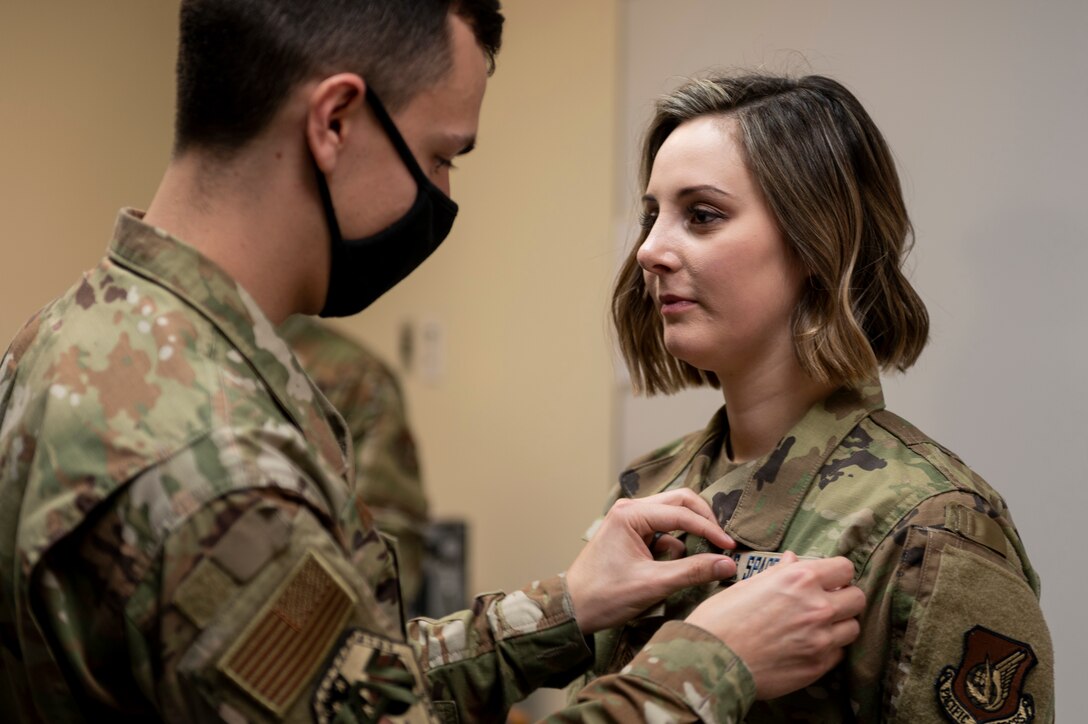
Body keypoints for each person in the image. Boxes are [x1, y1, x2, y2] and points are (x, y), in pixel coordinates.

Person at [0, 4, 866, 721]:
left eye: (704, 215)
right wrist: (710, 664)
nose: (443, 195)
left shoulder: (77, 340)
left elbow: (341, 688)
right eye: (440, 155)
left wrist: (563, 611)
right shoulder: (214, 459)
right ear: (335, 120)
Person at [576, 73, 1054, 721]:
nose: (651, 250)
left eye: (703, 215)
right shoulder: (649, 492)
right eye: (652, 216)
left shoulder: (931, 525)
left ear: (815, 241)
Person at [280, 315, 430, 605]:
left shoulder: (351, 375)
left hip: (305, 628)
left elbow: (387, 547)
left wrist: (291, 618)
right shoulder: (184, 348)